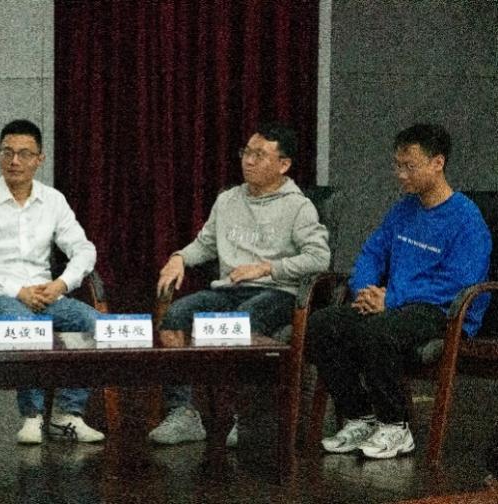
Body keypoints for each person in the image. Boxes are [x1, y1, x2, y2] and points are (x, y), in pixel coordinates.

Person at [307, 123, 491, 460]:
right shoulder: (403, 210)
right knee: (323, 324)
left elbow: (457, 283)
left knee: (379, 331)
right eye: (398, 165)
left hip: (441, 311)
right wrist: (365, 290)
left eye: (410, 166)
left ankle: (395, 426)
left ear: (438, 163)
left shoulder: (467, 219)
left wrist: (391, 299)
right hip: (394, 304)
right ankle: (360, 416)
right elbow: (372, 253)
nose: (401, 175)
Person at [150, 122, 331, 446]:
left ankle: (247, 418)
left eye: (259, 155)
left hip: (277, 292)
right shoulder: (228, 200)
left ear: (283, 164)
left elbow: (319, 258)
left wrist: (267, 268)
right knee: (177, 314)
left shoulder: (298, 207)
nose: (248, 161)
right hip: (228, 290)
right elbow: (205, 244)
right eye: (246, 152)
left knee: (243, 321)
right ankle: (183, 413)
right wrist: (179, 257)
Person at [0, 119, 104, 445]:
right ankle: (32, 416)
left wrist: (62, 284)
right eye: (7, 152)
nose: (14, 161)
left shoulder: (53, 200)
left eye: (24, 154)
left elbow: (84, 249)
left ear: (40, 159)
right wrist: (18, 291)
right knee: (28, 326)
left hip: (47, 294)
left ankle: (67, 415)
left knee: (95, 323)